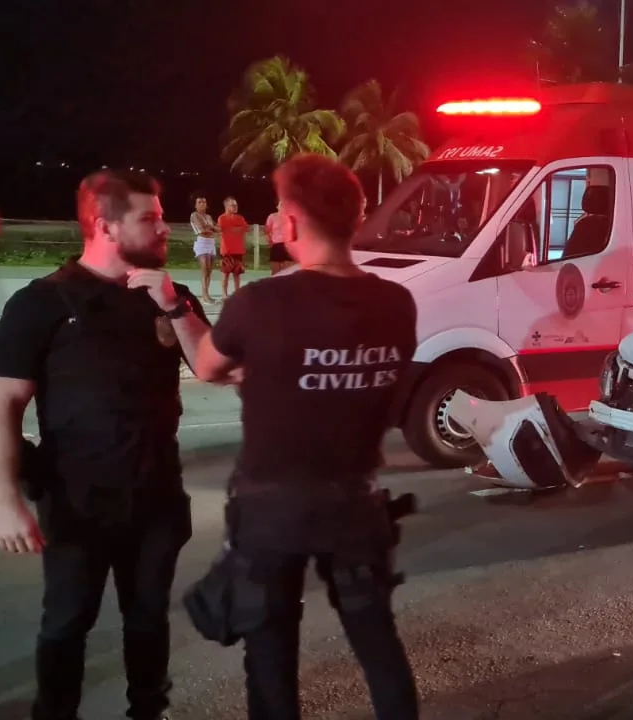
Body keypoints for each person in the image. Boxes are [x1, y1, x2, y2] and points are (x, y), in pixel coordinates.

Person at [192, 154, 420, 720]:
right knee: (378, 646)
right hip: (356, 505)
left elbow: (206, 366)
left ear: (290, 223)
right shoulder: (397, 302)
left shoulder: (262, 302)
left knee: (270, 654)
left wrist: (179, 310)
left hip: (271, 512)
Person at [0, 170, 211, 720]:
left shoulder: (168, 294)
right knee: (66, 623)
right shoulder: (40, 303)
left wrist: (175, 307)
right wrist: (6, 502)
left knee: (148, 618)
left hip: (155, 494)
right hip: (77, 499)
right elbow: (2, 407)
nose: (165, 228)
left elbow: (214, 368)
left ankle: (147, 712)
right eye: (150, 219)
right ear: (105, 225)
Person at [218, 196, 249, 298]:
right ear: (226, 206)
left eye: (236, 205)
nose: (235, 207)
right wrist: (237, 229)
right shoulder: (222, 218)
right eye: (233, 205)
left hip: (238, 250)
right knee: (225, 274)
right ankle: (224, 294)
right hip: (227, 251)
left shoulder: (240, 218)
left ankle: (237, 293)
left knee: (237, 274)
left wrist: (234, 229)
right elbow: (225, 229)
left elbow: (245, 228)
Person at [191, 195, 219, 303]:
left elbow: (218, 228)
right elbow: (201, 230)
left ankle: (207, 293)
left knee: (209, 271)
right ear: (195, 204)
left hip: (211, 243)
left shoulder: (208, 216)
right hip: (202, 243)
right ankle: (204, 295)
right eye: (199, 202)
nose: (202, 204)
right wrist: (211, 229)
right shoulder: (194, 215)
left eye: (204, 202)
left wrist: (210, 228)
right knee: (204, 269)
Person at [263, 200, 294, 275]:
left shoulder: (291, 218)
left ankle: (286, 286)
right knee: (275, 272)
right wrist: (269, 242)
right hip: (276, 245)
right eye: (281, 204)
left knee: (287, 272)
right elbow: (266, 231)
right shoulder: (272, 217)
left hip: (288, 246)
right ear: (277, 206)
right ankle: (274, 286)